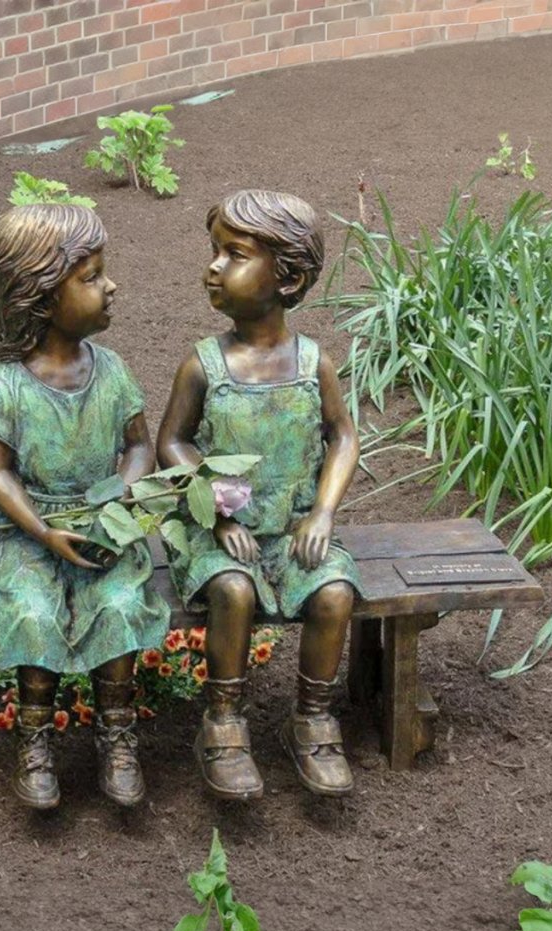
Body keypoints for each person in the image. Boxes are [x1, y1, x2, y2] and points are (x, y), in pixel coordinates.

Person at [157, 189, 362, 801]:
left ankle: (313, 719)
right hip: (219, 534)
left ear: (288, 278)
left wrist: (322, 512)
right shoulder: (204, 365)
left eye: (235, 255)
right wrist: (218, 513)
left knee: (334, 592)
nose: (214, 267)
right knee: (233, 590)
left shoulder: (313, 363)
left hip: (294, 527)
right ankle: (223, 723)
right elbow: (172, 443)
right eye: (215, 251)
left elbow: (343, 436)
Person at [0, 204, 169, 810]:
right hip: (26, 532)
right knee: (32, 610)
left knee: (119, 602)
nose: (111, 286)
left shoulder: (112, 372)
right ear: (40, 294)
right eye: (91, 276)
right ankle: (35, 741)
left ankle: (117, 734)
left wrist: (121, 497)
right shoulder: (5, 386)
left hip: (102, 526)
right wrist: (44, 530)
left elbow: (140, 447)